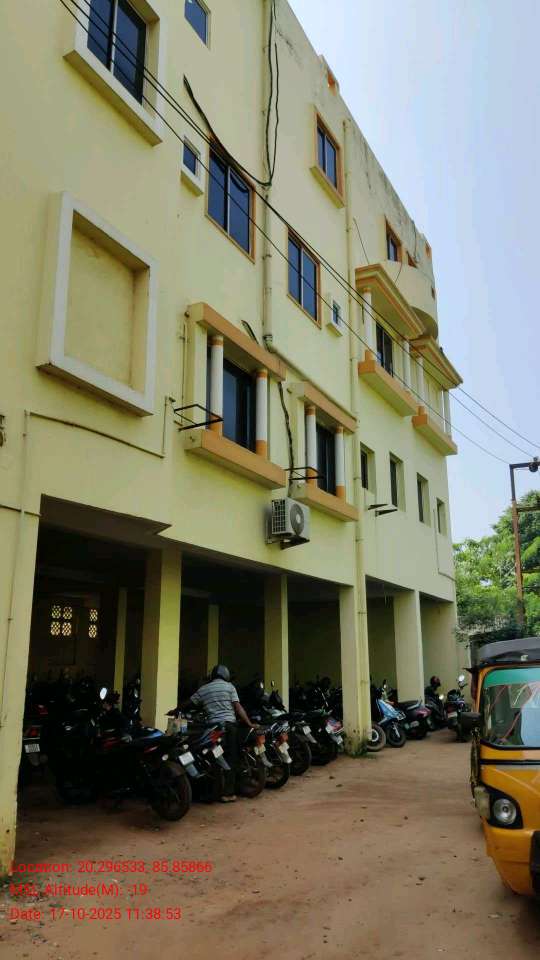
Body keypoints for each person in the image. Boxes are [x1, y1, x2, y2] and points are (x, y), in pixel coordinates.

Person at [184, 665, 254, 803]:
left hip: (215, 730)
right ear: (225, 675)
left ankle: (214, 790)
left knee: (214, 754)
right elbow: (238, 707)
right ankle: (229, 793)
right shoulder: (230, 687)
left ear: (212, 675)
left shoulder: (204, 689)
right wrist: (249, 723)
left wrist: (175, 709)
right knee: (231, 757)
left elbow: (189, 703)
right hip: (230, 727)